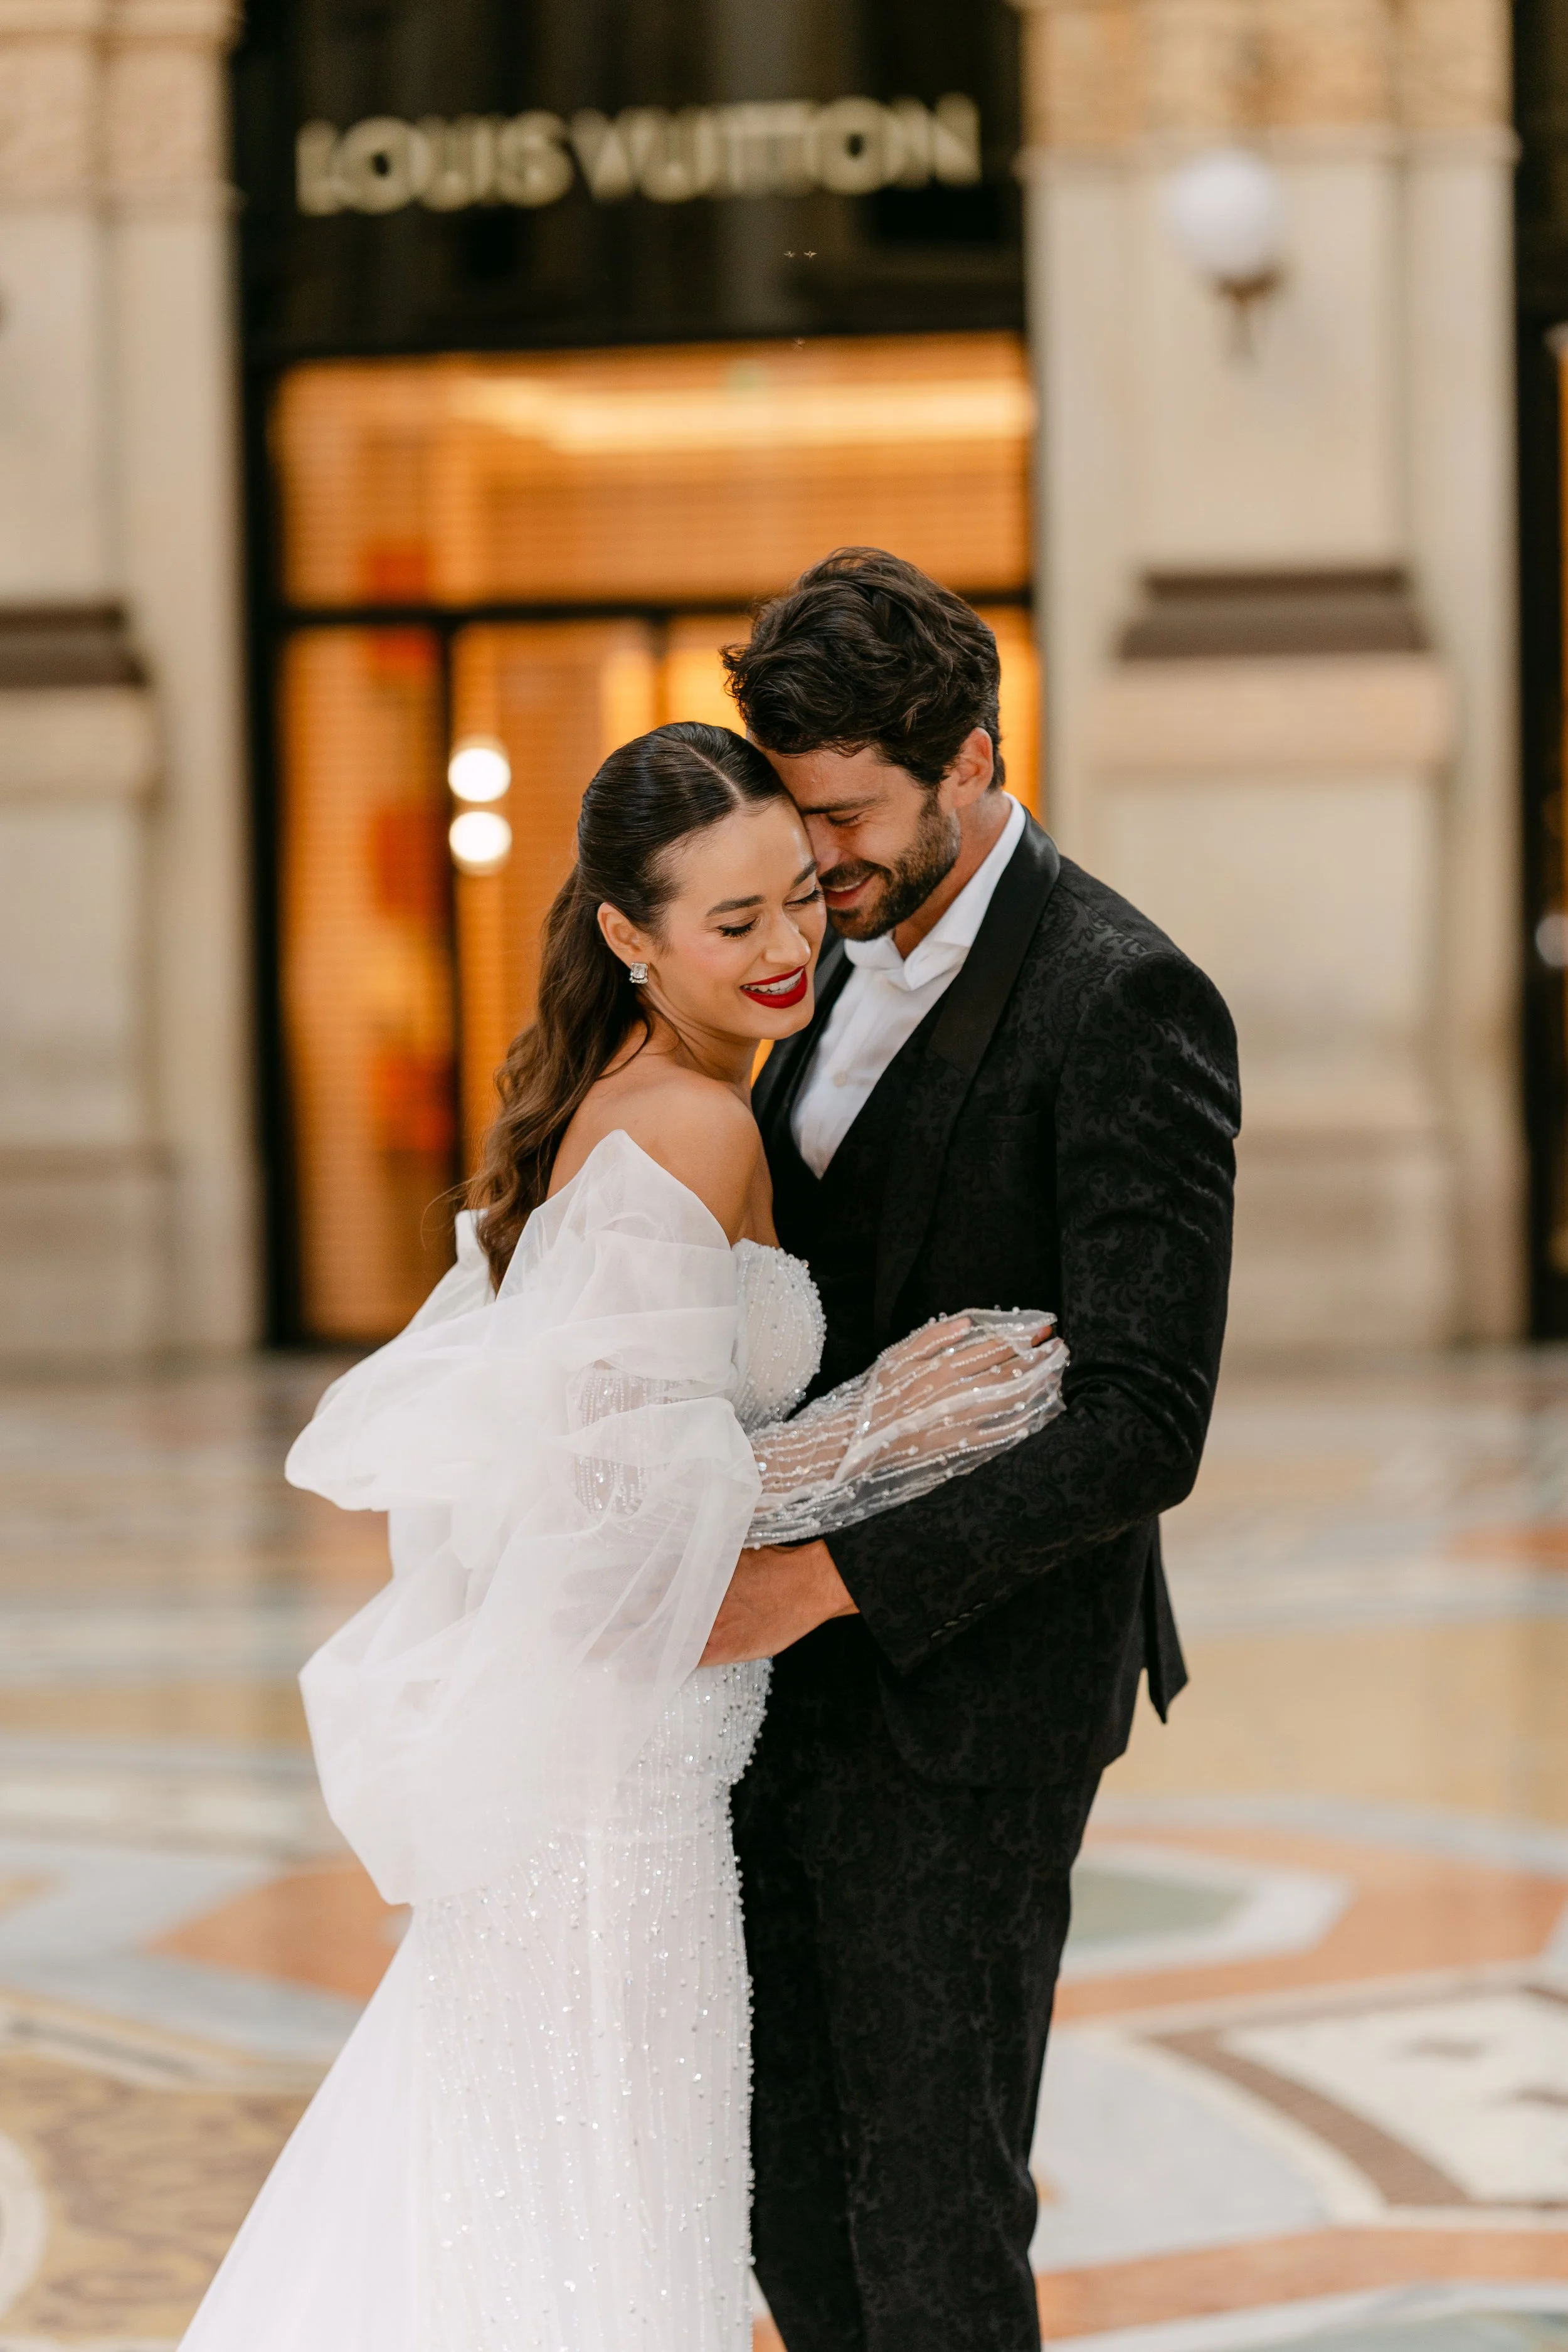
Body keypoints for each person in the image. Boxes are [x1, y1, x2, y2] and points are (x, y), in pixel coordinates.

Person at [176, 721, 1067, 2352]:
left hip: (624, 1786)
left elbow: (619, 1459)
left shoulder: (659, 1095)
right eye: (735, 924)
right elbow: (604, 1521)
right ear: (626, 935)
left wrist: (852, 1440)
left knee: (560, 2217)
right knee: (600, 2235)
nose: (791, 946)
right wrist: (885, 1434)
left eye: (800, 897)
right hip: (614, 1813)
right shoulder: (690, 1126)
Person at [705, 549, 1242, 2352]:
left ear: (971, 758)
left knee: (933, 2218)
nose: (813, 866)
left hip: (975, 1696)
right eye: (790, 820)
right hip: (768, 1697)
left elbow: (1141, 1423)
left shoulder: (1122, 998)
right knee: (785, 2199)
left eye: (845, 816)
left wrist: (820, 1576)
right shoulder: (809, 964)